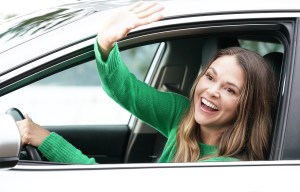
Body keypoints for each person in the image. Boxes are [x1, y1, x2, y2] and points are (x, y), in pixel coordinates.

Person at [17, 1, 276, 163]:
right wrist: (106, 43)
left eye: (230, 89)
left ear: (248, 105)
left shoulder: (223, 167)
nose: (212, 91)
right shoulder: (182, 114)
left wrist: (47, 140)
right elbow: (126, 90)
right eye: (210, 76)